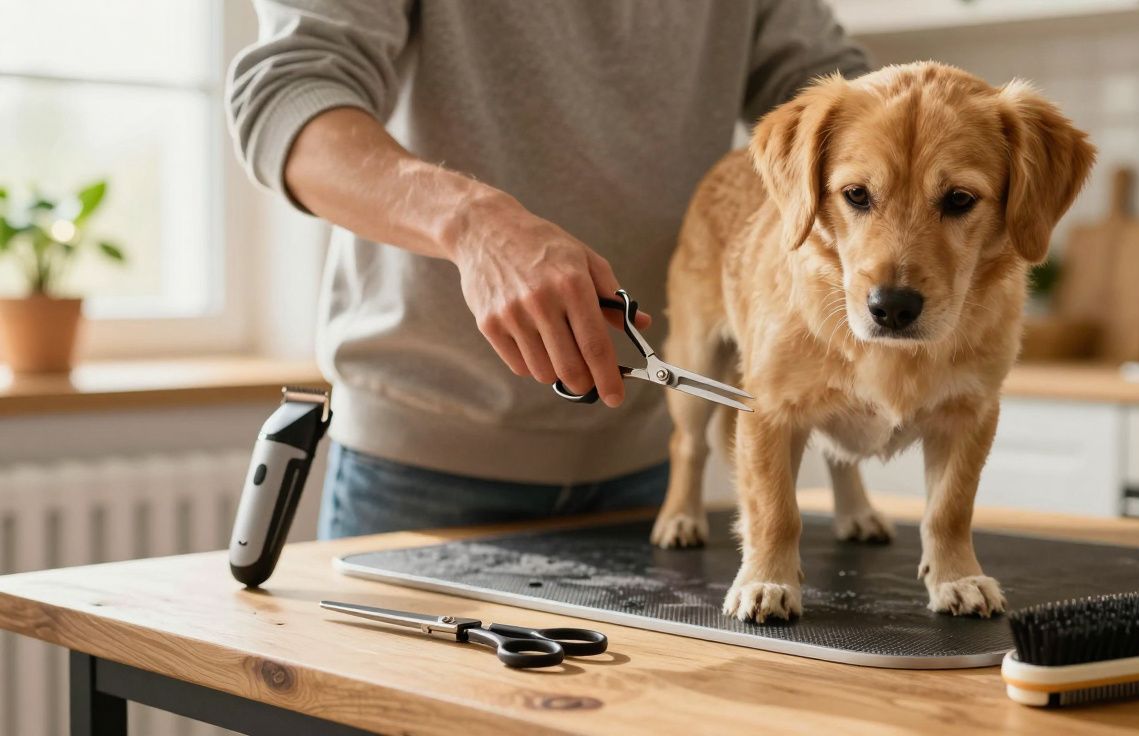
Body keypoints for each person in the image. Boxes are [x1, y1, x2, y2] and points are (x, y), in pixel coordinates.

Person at [227, 1, 869, 538]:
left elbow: (838, 99)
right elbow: (290, 95)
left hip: (656, 463)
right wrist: (471, 222)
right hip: (420, 469)